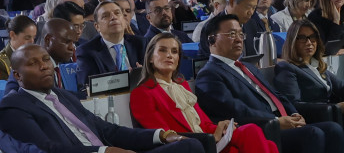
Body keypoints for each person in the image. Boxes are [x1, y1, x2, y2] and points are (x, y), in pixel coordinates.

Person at [0, 45, 198, 153]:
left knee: (189, 144)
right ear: (17, 76)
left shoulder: (64, 96)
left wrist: (160, 135)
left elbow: (107, 130)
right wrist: (103, 152)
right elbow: (47, 148)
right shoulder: (13, 106)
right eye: (33, 63)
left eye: (45, 60)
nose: (44, 66)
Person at [194, 15, 344, 153]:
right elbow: (235, 110)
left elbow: (275, 95)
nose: (239, 39)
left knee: (333, 129)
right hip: (263, 129)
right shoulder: (209, 74)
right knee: (314, 134)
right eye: (232, 34)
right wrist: (275, 121)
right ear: (212, 40)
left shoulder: (249, 67)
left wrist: (294, 113)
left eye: (241, 34)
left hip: (282, 121)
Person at [131, 33, 278, 153]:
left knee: (267, 143)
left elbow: (204, 124)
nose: (169, 55)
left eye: (174, 51)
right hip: (191, 145)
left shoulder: (182, 85)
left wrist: (221, 127)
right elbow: (165, 136)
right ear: (150, 57)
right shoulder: (142, 93)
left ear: (178, 59)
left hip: (209, 139)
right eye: (163, 50)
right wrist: (210, 137)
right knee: (253, 133)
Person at [274, 20, 344, 153]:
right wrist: (335, 107)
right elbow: (293, 104)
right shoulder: (287, 68)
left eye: (313, 37)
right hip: (320, 115)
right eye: (302, 38)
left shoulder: (317, 65)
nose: (309, 42)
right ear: (292, 41)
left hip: (336, 113)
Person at [76, 1, 146, 85]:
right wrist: (127, 80)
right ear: (97, 26)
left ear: (124, 20)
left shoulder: (141, 43)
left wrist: (145, 75)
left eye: (117, 13)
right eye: (105, 16)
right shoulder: (86, 52)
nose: (113, 17)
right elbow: (89, 86)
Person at [0, 16, 37, 80]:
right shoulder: (2, 63)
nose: (32, 42)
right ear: (12, 35)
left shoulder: (36, 56)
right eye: (27, 38)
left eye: (34, 38)